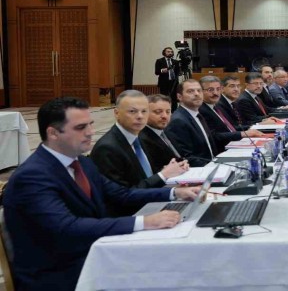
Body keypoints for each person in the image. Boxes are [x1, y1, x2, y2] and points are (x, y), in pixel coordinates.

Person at [2, 97, 199, 291]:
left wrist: (175, 193)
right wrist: (144, 222)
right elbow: (66, 228)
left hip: (92, 253)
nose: (90, 132)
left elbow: (121, 194)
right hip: (57, 273)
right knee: (167, 272)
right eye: (80, 127)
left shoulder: (82, 162)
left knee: (179, 264)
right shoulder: (32, 176)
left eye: (90, 124)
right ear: (53, 133)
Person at [90, 90, 189, 215]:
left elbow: (145, 176)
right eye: (132, 111)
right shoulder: (107, 148)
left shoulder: (139, 138)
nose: (140, 116)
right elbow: (121, 196)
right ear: (117, 113)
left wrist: (172, 173)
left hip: (151, 203)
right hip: (131, 214)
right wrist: (163, 176)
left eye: (144, 111)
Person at [198, 75, 264, 151]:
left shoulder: (216, 106)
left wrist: (254, 127)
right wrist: (243, 134)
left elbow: (231, 127)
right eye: (210, 90)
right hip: (222, 150)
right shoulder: (201, 110)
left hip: (234, 144)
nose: (215, 93)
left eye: (218, 89)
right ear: (200, 91)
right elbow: (213, 136)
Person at [164, 79, 217, 166]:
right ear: (179, 97)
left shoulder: (197, 115)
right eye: (190, 91)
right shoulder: (178, 121)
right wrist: (212, 167)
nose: (196, 94)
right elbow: (187, 157)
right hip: (199, 170)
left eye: (199, 90)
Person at [139, 94, 184, 172]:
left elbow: (179, 157)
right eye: (158, 112)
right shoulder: (142, 139)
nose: (165, 116)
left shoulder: (167, 131)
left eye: (168, 112)